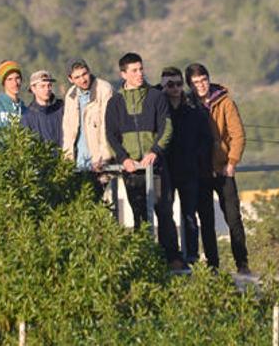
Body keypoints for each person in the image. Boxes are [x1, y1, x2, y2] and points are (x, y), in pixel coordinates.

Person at [105, 52, 183, 269]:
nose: (140, 74)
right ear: (123, 74)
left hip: (156, 167)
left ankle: (173, 258)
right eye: (134, 70)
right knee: (139, 214)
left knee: (164, 212)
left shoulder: (156, 97)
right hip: (131, 170)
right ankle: (146, 261)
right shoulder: (115, 102)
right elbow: (110, 134)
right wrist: (124, 158)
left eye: (141, 69)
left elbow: (167, 127)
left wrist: (154, 151)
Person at [185, 62, 251, 274]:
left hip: (223, 170)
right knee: (206, 222)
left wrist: (232, 161)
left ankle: (242, 263)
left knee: (233, 218)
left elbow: (238, 134)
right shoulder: (188, 105)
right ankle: (213, 266)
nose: (201, 85)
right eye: (196, 82)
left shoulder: (225, 102)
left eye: (203, 80)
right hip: (200, 172)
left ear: (208, 79)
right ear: (190, 85)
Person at [158, 67, 212, 265]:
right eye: (170, 84)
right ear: (162, 86)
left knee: (189, 216)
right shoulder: (159, 110)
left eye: (178, 84)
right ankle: (171, 256)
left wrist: (197, 159)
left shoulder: (193, 109)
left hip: (189, 171)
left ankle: (191, 257)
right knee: (166, 214)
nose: (175, 88)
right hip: (165, 171)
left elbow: (205, 138)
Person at [61, 59, 114, 194]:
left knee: (100, 201)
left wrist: (104, 157)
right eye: (77, 77)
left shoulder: (104, 89)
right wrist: (67, 159)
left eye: (84, 74)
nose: (82, 80)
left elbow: (106, 126)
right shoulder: (71, 95)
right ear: (70, 79)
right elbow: (68, 129)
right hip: (78, 161)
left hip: (98, 161)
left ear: (89, 72)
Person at [21, 70, 64, 144]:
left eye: (49, 85)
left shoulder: (61, 108)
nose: (47, 89)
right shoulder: (27, 117)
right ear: (33, 89)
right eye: (42, 86)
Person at [0, 60, 26, 127]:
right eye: (10, 79)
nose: (15, 83)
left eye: (17, 78)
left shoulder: (25, 111)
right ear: (3, 83)